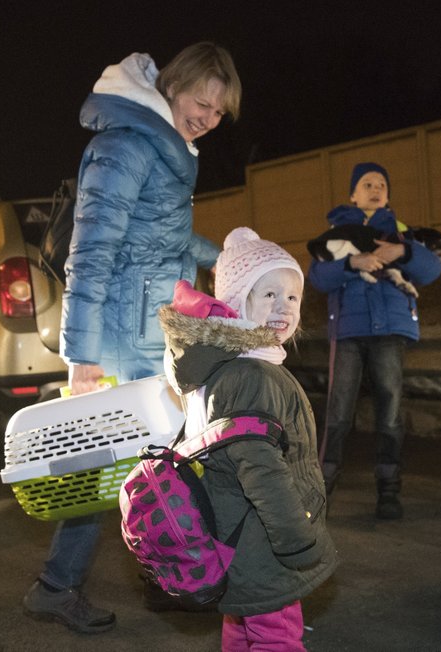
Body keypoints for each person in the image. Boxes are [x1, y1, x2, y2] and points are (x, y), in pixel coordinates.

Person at [21, 42, 242, 634]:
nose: (209, 118)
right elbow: (88, 254)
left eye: (220, 111)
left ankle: (161, 574)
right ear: (172, 87)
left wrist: (232, 259)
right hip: (118, 337)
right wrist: (82, 356)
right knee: (110, 472)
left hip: (150, 331)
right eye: (202, 101)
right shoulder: (123, 146)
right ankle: (56, 586)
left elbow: (165, 243)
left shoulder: (164, 150)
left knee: (154, 463)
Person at [159, 227, 337, 651]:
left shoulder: (230, 366)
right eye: (269, 294)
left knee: (244, 626)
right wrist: (297, 541)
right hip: (263, 539)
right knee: (277, 635)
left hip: (235, 534)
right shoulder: (252, 375)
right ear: (239, 302)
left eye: (292, 296)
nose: (284, 306)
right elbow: (262, 471)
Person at [308, 162, 441, 520]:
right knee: (338, 414)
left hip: (389, 333)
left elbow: (432, 270)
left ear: (388, 194)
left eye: (381, 183)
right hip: (348, 332)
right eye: (366, 183)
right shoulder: (336, 233)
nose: (374, 187)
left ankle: (389, 489)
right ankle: (321, 491)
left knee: (390, 412)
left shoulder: (401, 235)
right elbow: (318, 277)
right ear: (353, 194)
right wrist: (353, 262)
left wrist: (404, 254)